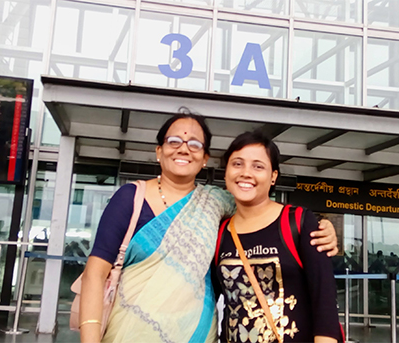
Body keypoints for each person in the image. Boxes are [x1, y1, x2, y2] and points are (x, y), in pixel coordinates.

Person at [79, 112, 338, 343]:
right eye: (173, 141)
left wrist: (322, 226)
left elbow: (259, 209)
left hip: (196, 334)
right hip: (128, 332)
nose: (183, 149)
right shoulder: (130, 198)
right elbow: (94, 274)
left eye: (194, 144)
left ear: (204, 158)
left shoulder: (216, 203)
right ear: (159, 151)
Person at [214, 131, 342, 343]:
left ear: (273, 176)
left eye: (258, 166)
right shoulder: (220, 232)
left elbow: (325, 303)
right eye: (237, 164)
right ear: (226, 173)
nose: (246, 173)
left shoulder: (299, 222)